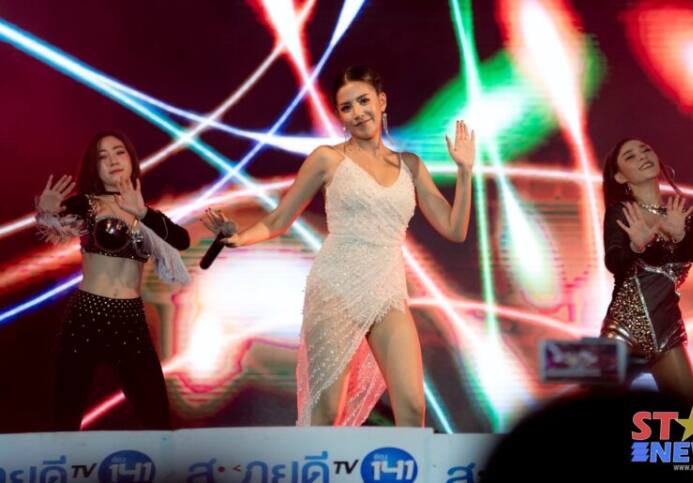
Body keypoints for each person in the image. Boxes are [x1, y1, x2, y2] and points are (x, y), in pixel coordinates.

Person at [203, 65, 475, 426]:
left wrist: (465, 172)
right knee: (328, 409)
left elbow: (455, 229)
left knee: (412, 407)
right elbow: (279, 218)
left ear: (381, 101)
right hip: (336, 288)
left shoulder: (410, 166)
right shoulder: (327, 159)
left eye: (363, 101)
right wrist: (239, 237)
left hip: (388, 292)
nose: (358, 112)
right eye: (347, 107)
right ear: (340, 115)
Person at [35, 130, 191, 430]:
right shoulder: (86, 204)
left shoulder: (147, 214)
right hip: (87, 317)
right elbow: (53, 224)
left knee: (157, 420)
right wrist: (47, 210)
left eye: (119, 152)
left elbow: (181, 241)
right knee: (65, 419)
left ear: (131, 159)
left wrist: (142, 212)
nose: (112, 161)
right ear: (95, 168)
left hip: (130, 320)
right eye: (102, 157)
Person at [599, 138, 693, 410]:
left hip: (667, 333)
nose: (642, 156)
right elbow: (614, 262)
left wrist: (682, 236)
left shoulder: (683, 216)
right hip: (623, 330)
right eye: (630, 156)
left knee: (690, 419)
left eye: (645, 150)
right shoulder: (622, 213)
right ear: (620, 177)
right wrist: (636, 246)